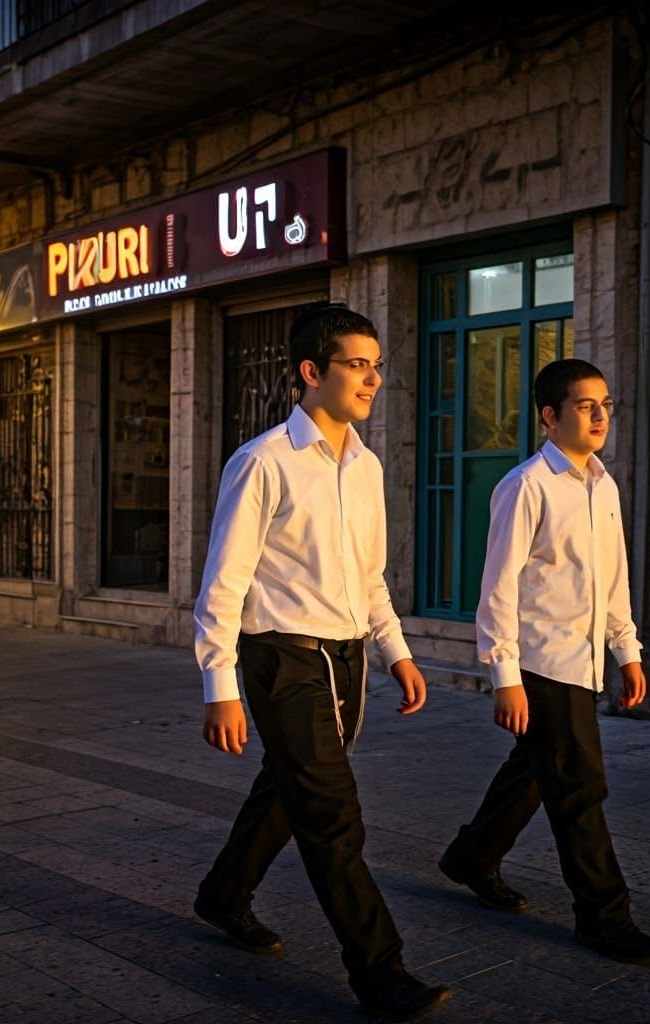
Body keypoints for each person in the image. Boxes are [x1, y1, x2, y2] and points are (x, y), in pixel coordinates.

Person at [193, 303, 452, 1021]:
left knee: (289, 787)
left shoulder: (365, 466)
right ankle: (381, 973)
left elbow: (370, 577)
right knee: (333, 817)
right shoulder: (263, 461)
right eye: (356, 364)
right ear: (312, 371)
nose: (372, 378)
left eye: (376, 365)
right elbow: (226, 581)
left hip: (347, 658)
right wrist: (221, 686)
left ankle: (223, 894)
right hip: (283, 658)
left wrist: (395, 650)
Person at [437, 357, 650, 965]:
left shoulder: (604, 485)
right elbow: (499, 588)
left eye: (606, 405)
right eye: (585, 406)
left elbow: (613, 578)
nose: (599, 417)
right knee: (579, 787)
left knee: (536, 771)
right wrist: (503, 677)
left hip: (584, 658)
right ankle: (603, 916)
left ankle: (470, 858)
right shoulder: (526, 485)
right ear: (549, 415)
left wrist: (627, 650)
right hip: (542, 663)